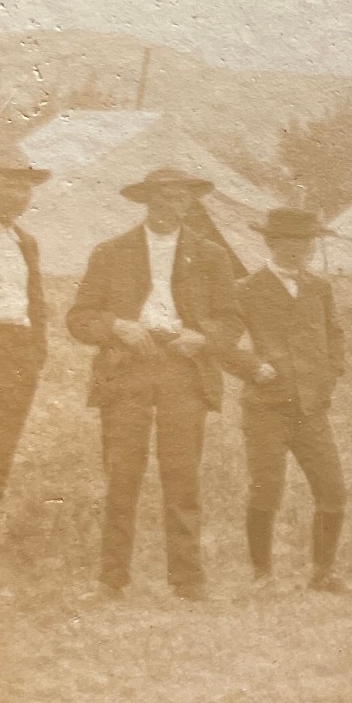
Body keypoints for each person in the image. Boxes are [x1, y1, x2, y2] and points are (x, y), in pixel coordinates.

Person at [67, 167, 243, 602]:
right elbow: (79, 318)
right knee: (122, 475)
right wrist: (116, 326)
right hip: (127, 370)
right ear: (146, 200)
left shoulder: (211, 255)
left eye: (181, 198)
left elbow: (232, 320)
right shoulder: (111, 253)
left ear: (190, 204)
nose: (171, 206)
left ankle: (188, 580)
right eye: (162, 197)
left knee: (182, 475)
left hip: (184, 371)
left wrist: (203, 338)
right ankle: (111, 581)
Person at [228, 208, 348, 592]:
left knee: (332, 490)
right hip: (266, 407)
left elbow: (334, 336)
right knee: (267, 487)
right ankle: (262, 575)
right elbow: (221, 341)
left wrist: (329, 377)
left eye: (306, 243)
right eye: (290, 243)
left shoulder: (319, 287)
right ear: (272, 243)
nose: (299, 251)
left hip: (312, 408)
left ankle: (322, 572)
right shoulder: (246, 288)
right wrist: (251, 367)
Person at [0, 148, 52, 573]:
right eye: (11, 183)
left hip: (18, 356)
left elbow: (35, 304)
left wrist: (37, 352)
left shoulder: (26, 241)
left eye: (26, 186)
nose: (20, 194)